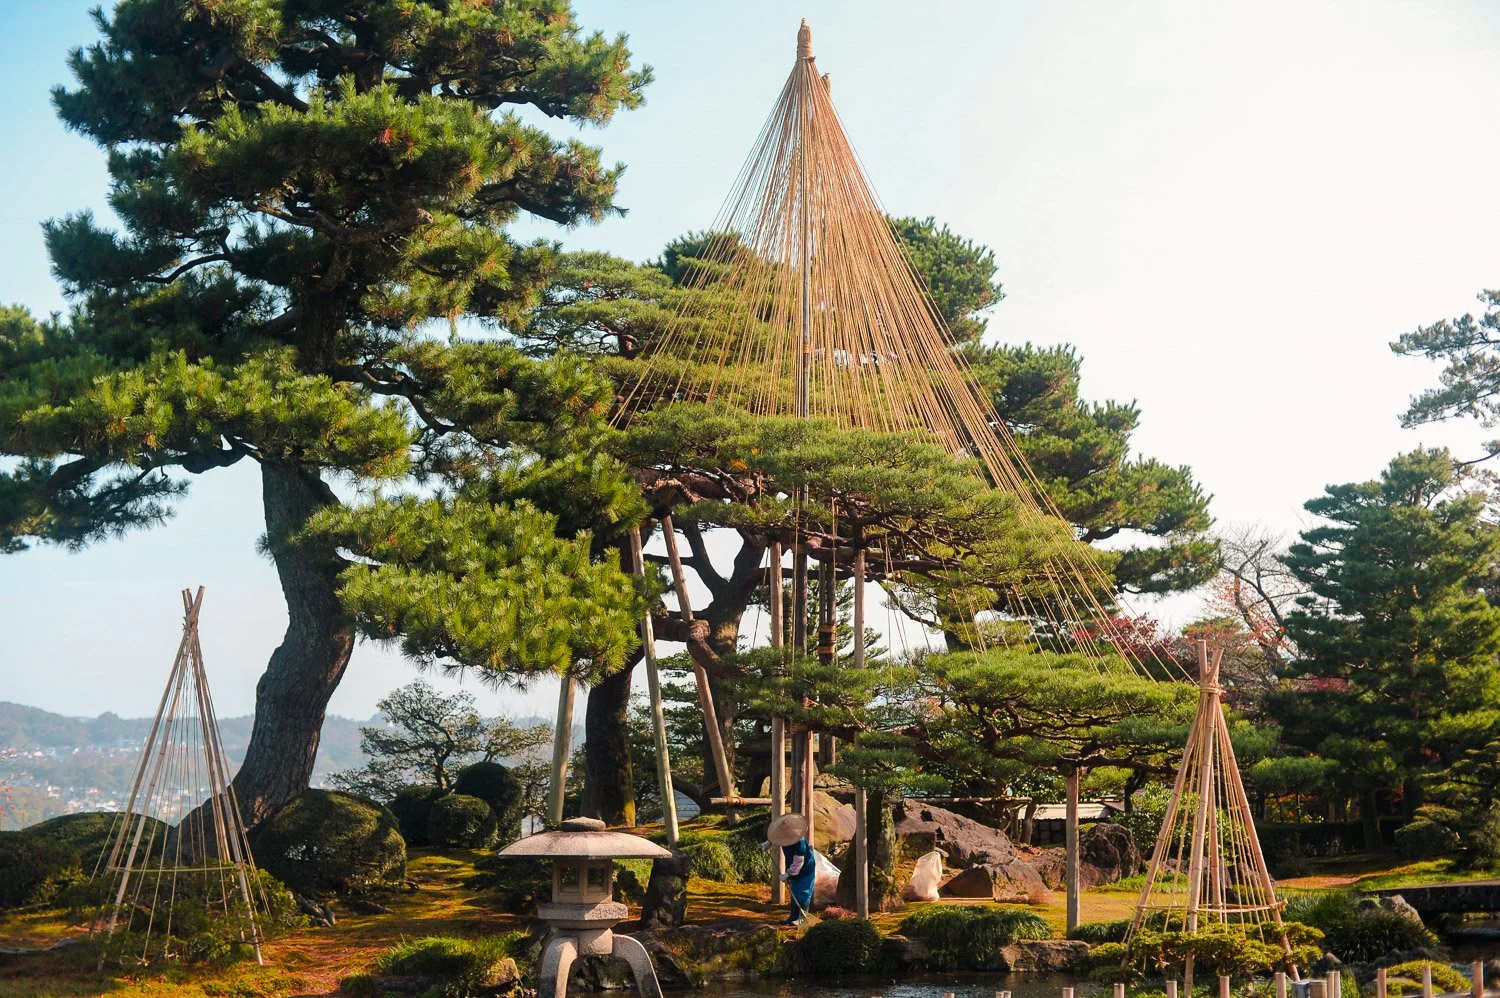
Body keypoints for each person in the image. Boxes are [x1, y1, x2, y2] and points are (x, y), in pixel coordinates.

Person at [767, 812, 815, 925]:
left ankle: (802, 918)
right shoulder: (783, 836)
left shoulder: (799, 843)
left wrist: (788, 874)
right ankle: (793, 917)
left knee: (803, 892)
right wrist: (768, 843)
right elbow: (776, 837)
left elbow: (799, 862)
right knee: (794, 891)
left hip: (805, 869)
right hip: (793, 866)